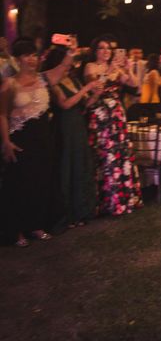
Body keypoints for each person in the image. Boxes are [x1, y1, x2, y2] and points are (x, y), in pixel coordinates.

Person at [0, 37, 78, 247]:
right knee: (19, 184)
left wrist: (71, 51)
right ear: (17, 59)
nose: (31, 59)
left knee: (41, 181)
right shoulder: (10, 83)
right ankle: (16, 230)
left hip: (43, 137)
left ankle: (36, 225)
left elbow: (64, 67)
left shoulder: (44, 78)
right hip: (20, 137)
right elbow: (3, 114)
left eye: (33, 55)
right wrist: (6, 141)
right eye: (26, 55)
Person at [84, 36, 142, 216]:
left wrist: (127, 69)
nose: (106, 51)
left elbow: (135, 85)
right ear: (95, 51)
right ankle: (104, 201)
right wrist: (111, 70)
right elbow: (98, 87)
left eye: (108, 48)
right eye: (101, 48)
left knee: (119, 153)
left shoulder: (116, 68)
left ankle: (122, 198)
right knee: (104, 153)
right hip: (100, 114)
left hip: (116, 114)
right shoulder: (90, 67)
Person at [45, 48, 103, 229]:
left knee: (80, 166)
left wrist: (95, 94)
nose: (69, 66)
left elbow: (84, 104)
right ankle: (67, 214)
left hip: (78, 126)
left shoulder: (73, 79)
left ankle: (81, 211)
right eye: (67, 62)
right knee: (67, 167)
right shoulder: (53, 82)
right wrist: (86, 88)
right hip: (64, 128)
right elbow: (65, 104)